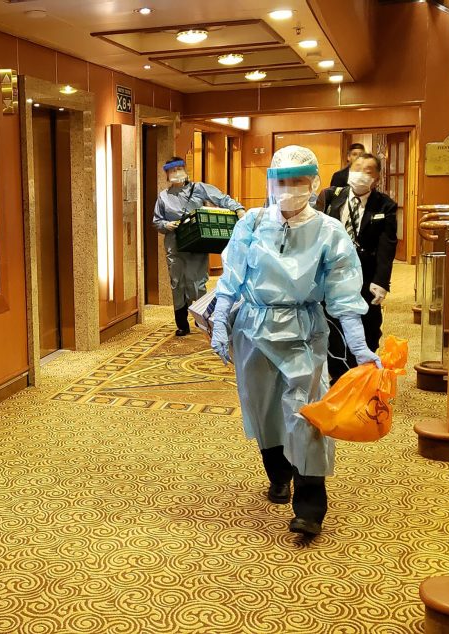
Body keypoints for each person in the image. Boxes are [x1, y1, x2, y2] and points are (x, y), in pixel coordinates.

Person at [208, 145, 380, 537]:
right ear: (271, 183)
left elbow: (343, 296)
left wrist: (360, 348)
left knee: (306, 412)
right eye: (282, 181)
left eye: (298, 181)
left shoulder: (329, 232)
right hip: (251, 327)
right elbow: (231, 278)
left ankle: (310, 502)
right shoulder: (251, 224)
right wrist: (220, 321)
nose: (289, 189)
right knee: (262, 408)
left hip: (302, 329)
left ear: (313, 184)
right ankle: (278, 473)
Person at [318, 153, 398, 384]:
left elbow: (387, 246)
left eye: (368, 170)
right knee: (331, 324)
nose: (361, 174)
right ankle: (338, 376)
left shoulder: (385, 205)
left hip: (365, 276)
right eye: (357, 168)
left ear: (377, 177)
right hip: (332, 273)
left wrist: (381, 282)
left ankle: (361, 374)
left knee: (367, 325)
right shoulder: (331, 196)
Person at [153, 157, 245, 336]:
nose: (177, 173)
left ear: (185, 170)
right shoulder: (163, 197)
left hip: (196, 242)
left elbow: (222, 198)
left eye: (180, 168)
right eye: (173, 170)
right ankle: (181, 324)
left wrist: (239, 209)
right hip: (175, 244)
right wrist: (166, 225)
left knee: (197, 282)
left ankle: (201, 318)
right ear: (167, 174)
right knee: (177, 283)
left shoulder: (198, 188)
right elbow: (156, 221)